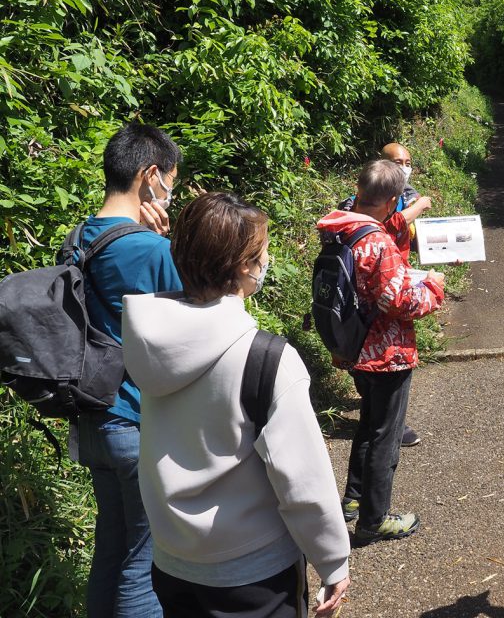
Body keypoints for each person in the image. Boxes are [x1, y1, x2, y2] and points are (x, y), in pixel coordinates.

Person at [122, 192, 350, 617]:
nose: (268, 260)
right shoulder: (266, 359)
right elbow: (303, 482)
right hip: (253, 573)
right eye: (263, 252)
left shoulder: (150, 340)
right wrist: (333, 560)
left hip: (171, 562)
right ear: (245, 265)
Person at [74, 123, 182, 617]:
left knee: (112, 553)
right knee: (146, 566)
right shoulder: (152, 249)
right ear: (151, 176)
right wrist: (164, 245)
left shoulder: (78, 240)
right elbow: (189, 326)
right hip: (136, 418)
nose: (171, 195)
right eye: (171, 185)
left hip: (91, 417)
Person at [317, 159, 445, 543]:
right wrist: (433, 287)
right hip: (387, 354)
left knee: (370, 427)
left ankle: (353, 500)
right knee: (386, 436)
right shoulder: (378, 242)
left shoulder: (341, 230)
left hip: (355, 347)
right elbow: (399, 301)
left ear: (359, 191)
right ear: (392, 202)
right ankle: (375, 518)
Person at [340, 142, 431, 447]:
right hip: (365, 296)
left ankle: (381, 421)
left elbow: (411, 240)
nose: (404, 167)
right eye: (397, 162)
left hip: (396, 276)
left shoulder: (407, 196)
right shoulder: (355, 204)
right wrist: (433, 289)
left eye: (408, 161)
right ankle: (386, 428)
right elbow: (381, 229)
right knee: (370, 361)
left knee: (377, 362)